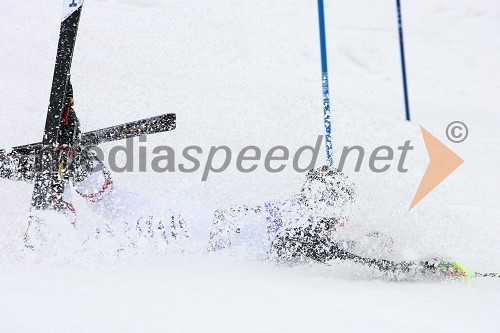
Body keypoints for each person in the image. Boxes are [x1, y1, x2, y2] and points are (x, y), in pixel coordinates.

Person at [0, 104, 470, 280]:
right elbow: (357, 256)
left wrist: (418, 262)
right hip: (178, 228)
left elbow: (363, 249)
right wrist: (416, 268)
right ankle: (61, 196)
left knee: (115, 208)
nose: (339, 215)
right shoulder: (306, 232)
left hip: (181, 227)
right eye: (333, 204)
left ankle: (72, 171)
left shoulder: (310, 228)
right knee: (100, 226)